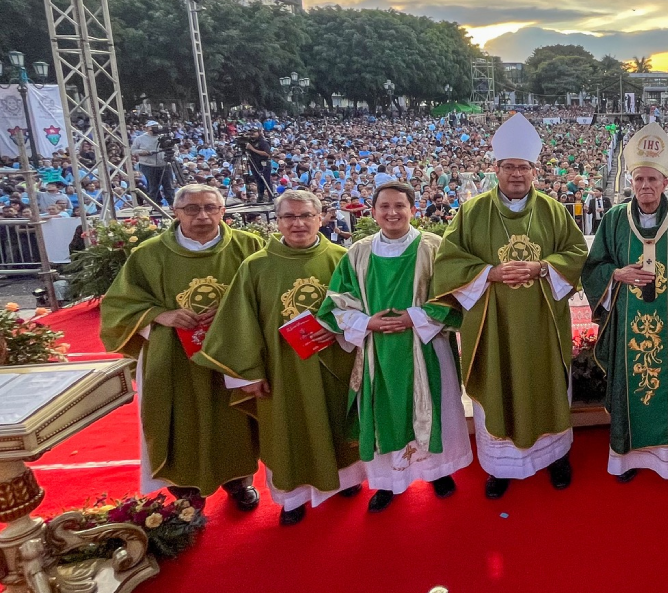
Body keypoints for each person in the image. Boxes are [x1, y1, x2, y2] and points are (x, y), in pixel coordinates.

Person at [430, 115, 588, 499]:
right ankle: (500, 467)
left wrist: (542, 267)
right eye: (509, 167)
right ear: (496, 169)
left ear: (535, 170)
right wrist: (489, 274)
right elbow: (448, 262)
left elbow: (577, 252)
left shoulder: (553, 210)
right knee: (499, 383)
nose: (517, 174)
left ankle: (556, 457)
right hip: (493, 323)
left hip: (541, 323)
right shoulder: (471, 213)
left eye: (523, 167)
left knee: (547, 385)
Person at [195, 190, 364, 526]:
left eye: (305, 216)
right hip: (280, 369)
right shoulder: (256, 266)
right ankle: (292, 498)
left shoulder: (343, 258)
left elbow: (363, 307)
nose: (298, 223)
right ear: (278, 221)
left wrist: (339, 329)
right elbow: (239, 323)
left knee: (338, 422)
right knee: (286, 429)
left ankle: (347, 480)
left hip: (335, 363)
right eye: (289, 217)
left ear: (320, 218)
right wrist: (248, 373)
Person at [100, 183, 263, 508]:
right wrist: (162, 315)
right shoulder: (149, 255)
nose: (202, 215)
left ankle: (237, 483)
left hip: (232, 356)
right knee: (181, 421)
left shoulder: (249, 247)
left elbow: (267, 294)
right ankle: (185, 491)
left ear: (222, 211)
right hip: (174, 357)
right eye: (192, 209)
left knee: (233, 420)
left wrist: (234, 310)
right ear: (176, 212)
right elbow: (118, 306)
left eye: (210, 208)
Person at [318, 181, 472, 512]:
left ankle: (437, 473)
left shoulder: (434, 247)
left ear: (413, 210)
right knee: (382, 411)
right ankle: (389, 483)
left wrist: (413, 317)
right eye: (384, 206)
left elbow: (454, 297)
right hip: (376, 351)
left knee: (436, 406)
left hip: (427, 346)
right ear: (373, 212)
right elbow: (336, 304)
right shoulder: (357, 252)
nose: (392, 213)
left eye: (399, 206)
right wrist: (367, 322)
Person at [581, 123, 668, 484]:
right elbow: (593, 267)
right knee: (632, 384)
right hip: (628, 324)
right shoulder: (613, 219)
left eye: (652, 180)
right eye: (639, 180)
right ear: (631, 182)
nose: (645, 187)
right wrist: (616, 275)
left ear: (665, 183)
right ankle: (626, 457)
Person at [132, 120, 175, 206]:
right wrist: (143, 152)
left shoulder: (165, 137)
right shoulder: (140, 139)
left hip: (164, 164)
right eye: (153, 127)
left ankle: (172, 203)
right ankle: (154, 204)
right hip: (148, 165)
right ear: (147, 128)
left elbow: (174, 148)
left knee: (168, 185)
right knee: (152, 186)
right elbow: (133, 151)